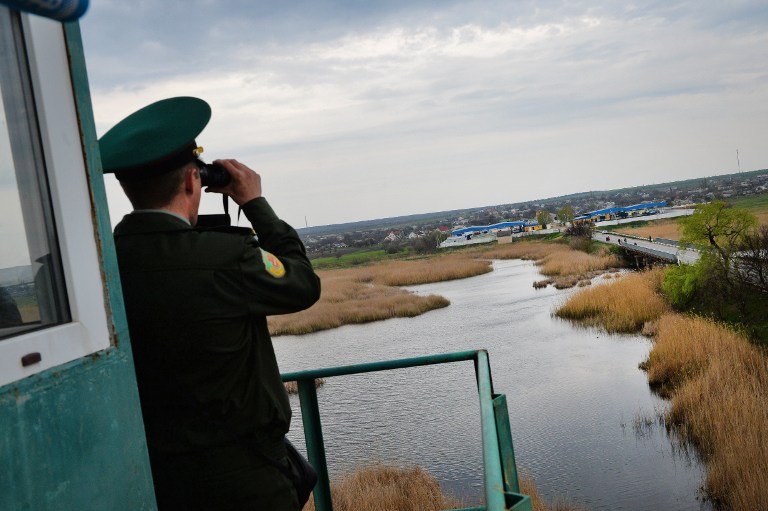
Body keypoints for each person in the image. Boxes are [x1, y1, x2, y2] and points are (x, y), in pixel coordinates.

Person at [98, 97, 321, 511]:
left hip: (155, 481)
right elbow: (303, 285)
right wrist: (254, 202)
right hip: (246, 481)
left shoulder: (101, 266)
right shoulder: (225, 257)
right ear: (191, 181)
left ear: (127, 188)